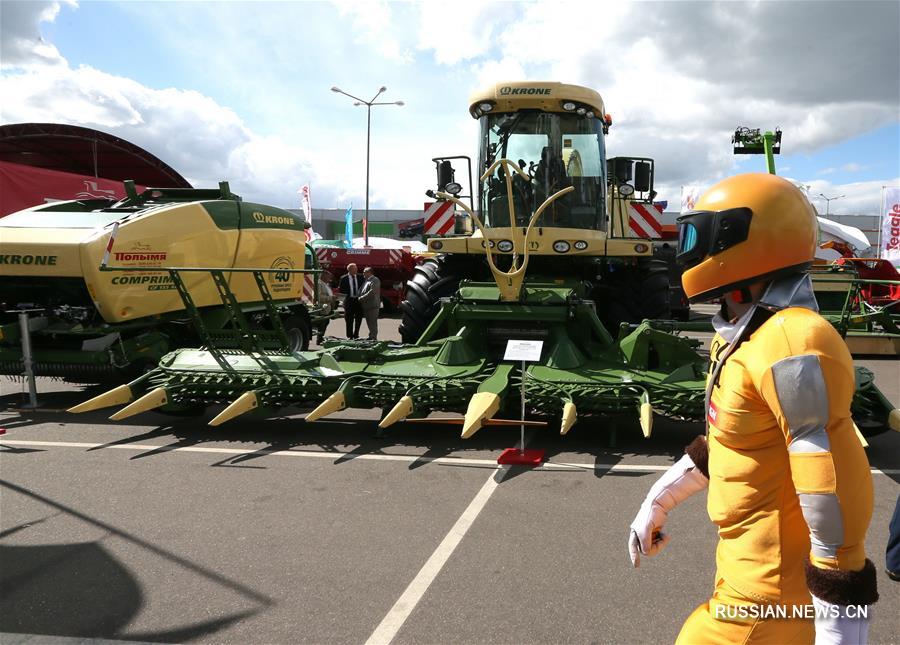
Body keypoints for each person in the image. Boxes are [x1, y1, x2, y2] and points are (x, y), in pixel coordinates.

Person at [627, 173, 878, 644]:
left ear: (744, 238)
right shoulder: (751, 334)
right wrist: (657, 501)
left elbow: (832, 490)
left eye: (699, 234)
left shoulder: (793, 340)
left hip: (768, 601)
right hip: (745, 579)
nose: (689, 250)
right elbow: (732, 439)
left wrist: (844, 628)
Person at [338, 263, 364, 339]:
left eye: (356, 268)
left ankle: (356, 334)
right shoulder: (343, 278)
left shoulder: (361, 277)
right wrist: (342, 301)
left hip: (358, 300)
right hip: (349, 301)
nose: (356, 270)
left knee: (359, 318)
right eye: (354, 269)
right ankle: (349, 335)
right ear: (349, 270)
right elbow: (341, 291)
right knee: (349, 319)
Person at [358, 266, 381, 340]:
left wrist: (361, 298)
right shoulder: (367, 280)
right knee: (369, 322)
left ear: (369, 272)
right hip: (367, 306)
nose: (363, 273)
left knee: (372, 322)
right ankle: (371, 336)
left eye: (365, 272)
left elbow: (372, 292)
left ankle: (373, 338)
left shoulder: (375, 280)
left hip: (373, 305)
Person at [315, 270, 334, 344]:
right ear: (323, 276)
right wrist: (330, 298)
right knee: (322, 324)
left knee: (325, 323)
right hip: (322, 308)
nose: (330, 278)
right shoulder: (319, 284)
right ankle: (319, 339)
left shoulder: (327, 284)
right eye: (328, 277)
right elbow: (319, 297)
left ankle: (321, 338)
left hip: (327, 308)